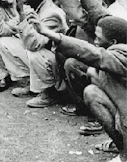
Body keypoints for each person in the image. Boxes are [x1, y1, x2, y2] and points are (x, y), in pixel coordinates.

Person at [31, 15, 127, 162]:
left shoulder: (123, 56)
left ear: (113, 42)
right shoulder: (119, 48)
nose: (95, 41)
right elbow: (96, 10)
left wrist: (50, 34)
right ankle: (121, 146)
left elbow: (95, 54)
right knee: (91, 92)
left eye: (98, 38)